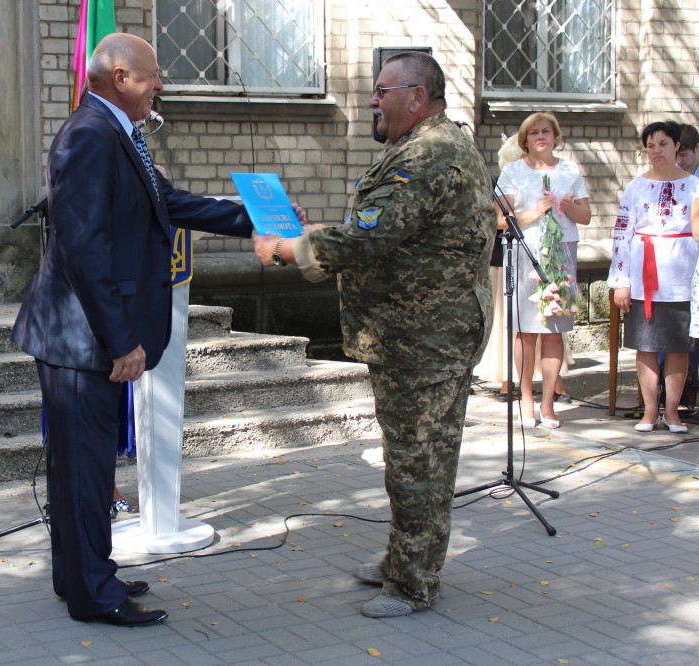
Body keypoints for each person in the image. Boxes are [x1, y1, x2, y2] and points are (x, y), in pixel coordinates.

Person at [11, 32, 256, 627]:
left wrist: (252, 219)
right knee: (84, 469)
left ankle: (81, 575)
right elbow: (83, 248)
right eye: (152, 75)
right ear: (120, 77)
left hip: (88, 332)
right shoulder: (90, 136)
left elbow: (168, 203)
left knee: (85, 468)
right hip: (81, 338)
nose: (160, 85)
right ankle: (94, 596)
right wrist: (120, 339)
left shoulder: (117, 130)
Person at [252, 52, 493, 618]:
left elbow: (367, 239)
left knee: (418, 462)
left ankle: (413, 585)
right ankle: (405, 561)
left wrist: (286, 249)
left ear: (418, 97)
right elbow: (382, 228)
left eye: (383, 91)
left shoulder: (428, 154)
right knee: (414, 457)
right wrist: (315, 233)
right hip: (418, 334)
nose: (372, 101)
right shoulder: (425, 147)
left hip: (425, 339)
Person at [495, 113, 591, 429]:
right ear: (525, 139)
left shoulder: (569, 170)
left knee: (554, 330)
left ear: (555, 136)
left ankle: (548, 402)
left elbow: (586, 216)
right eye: (534, 132)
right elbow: (500, 220)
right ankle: (526, 397)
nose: (540, 137)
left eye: (546, 131)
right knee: (525, 331)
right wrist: (535, 213)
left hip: (561, 253)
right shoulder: (513, 171)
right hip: (527, 251)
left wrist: (568, 206)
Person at [611, 121, 699, 433]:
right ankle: (650, 411)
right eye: (650, 145)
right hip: (643, 274)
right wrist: (621, 282)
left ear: (677, 146)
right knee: (646, 345)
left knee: (677, 345)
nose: (656, 151)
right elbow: (621, 234)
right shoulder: (636, 187)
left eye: (663, 144)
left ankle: (672, 411)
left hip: (681, 274)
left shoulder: (693, 185)